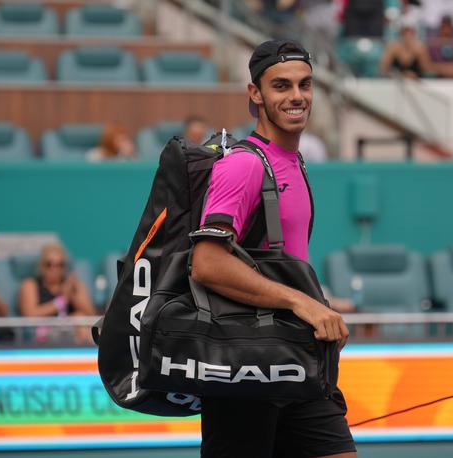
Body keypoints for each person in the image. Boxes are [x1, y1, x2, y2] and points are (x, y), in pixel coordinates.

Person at [191, 39, 356, 458]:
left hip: (296, 361)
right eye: (281, 86)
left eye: (305, 85)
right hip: (245, 368)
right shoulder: (244, 165)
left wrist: (321, 308)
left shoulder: (294, 162)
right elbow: (207, 264)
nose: (297, 96)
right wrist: (304, 305)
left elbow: (282, 264)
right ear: (255, 94)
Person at [18, 243, 96, 343]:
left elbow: (91, 316)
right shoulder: (30, 285)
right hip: (44, 332)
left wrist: (72, 295)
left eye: (60, 265)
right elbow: (30, 315)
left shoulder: (73, 285)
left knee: (79, 317)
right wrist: (62, 300)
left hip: (72, 333)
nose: (54, 269)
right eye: (49, 264)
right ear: (41, 266)